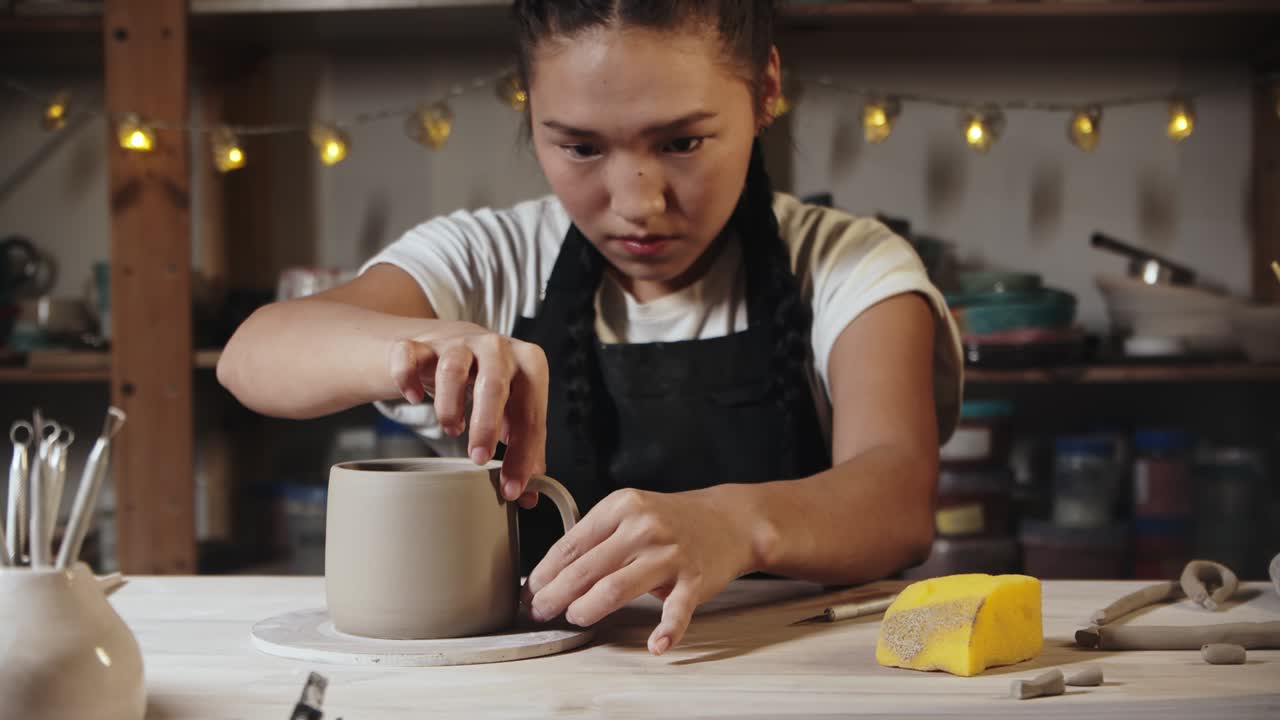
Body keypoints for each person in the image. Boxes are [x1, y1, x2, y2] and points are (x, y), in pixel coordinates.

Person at [217, 0, 963, 656]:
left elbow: (896, 497)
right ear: (530, 109)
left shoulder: (845, 262)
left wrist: (734, 523)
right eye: (580, 147)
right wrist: (412, 348)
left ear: (765, 90)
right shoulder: (491, 258)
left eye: (681, 143)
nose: (637, 203)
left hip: (793, 679)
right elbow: (253, 355)